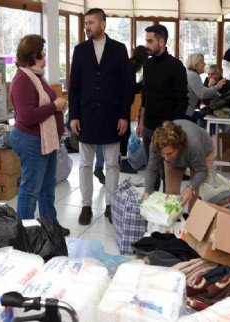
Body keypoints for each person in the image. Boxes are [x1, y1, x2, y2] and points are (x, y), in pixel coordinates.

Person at [68, 8, 132, 225]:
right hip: (85, 115)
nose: (87, 27)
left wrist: (124, 115)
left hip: (112, 115)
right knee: (85, 163)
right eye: (85, 23)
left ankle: (111, 206)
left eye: (91, 23)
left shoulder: (119, 49)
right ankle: (86, 206)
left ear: (103, 24)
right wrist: (73, 116)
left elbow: (127, 86)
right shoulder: (80, 50)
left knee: (112, 164)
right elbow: (73, 86)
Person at [9, 34, 70, 236]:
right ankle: (26, 233)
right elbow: (27, 116)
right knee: (31, 190)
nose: (45, 56)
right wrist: (55, 106)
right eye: (41, 53)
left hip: (44, 139)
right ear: (32, 55)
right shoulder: (22, 80)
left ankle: (50, 228)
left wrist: (57, 105)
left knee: (47, 188)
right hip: (31, 140)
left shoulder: (36, 75)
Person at [136, 24, 189, 191]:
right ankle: (151, 206)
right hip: (149, 127)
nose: (146, 45)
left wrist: (172, 129)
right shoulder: (148, 65)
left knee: (168, 172)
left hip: (167, 129)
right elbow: (145, 97)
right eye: (146, 40)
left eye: (150, 41)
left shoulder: (176, 66)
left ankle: (167, 209)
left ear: (162, 41)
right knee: (151, 170)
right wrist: (141, 122)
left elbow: (182, 100)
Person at [144, 120, 214, 211]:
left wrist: (190, 188)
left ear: (179, 147)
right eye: (163, 154)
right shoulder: (157, 145)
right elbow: (151, 169)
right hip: (181, 154)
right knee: (171, 193)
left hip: (203, 151)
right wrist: (147, 191)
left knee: (195, 194)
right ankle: (171, 221)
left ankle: (193, 222)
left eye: (169, 154)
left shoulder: (193, 144)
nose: (165, 158)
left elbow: (202, 171)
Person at [119, 45, 149, 174]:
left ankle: (120, 158)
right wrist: (142, 85)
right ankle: (123, 160)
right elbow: (128, 85)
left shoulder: (130, 64)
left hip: (124, 102)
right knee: (123, 132)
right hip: (122, 103)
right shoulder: (130, 65)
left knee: (123, 132)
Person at [185, 53, 226, 119]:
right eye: (202, 62)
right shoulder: (193, 75)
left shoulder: (189, 74)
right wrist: (217, 86)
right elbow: (203, 94)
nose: (204, 64)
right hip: (185, 111)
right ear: (195, 64)